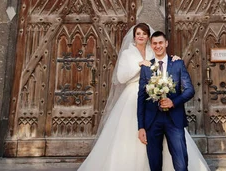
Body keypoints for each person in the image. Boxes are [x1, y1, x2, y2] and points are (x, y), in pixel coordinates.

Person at [77, 23, 210, 171]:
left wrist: (174, 59)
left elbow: (164, 63)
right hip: (136, 98)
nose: (141, 36)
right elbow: (121, 78)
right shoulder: (128, 53)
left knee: (176, 153)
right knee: (137, 138)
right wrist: (139, 65)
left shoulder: (153, 51)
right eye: (138, 33)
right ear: (134, 36)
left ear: (149, 37)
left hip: (162, 103)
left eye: (144, 34)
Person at [138, 30, 200, 171]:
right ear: (151, 45)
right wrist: (141, 126)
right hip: (152, 121)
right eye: (154, 43)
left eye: (160, 42)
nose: (158, 46)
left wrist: (174, 102)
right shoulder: (146, 68)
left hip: (174, 119)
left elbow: (190, 90)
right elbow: (141, 98)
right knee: (154, 164)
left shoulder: (177, 64)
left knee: (181, 163)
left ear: (166, 43)